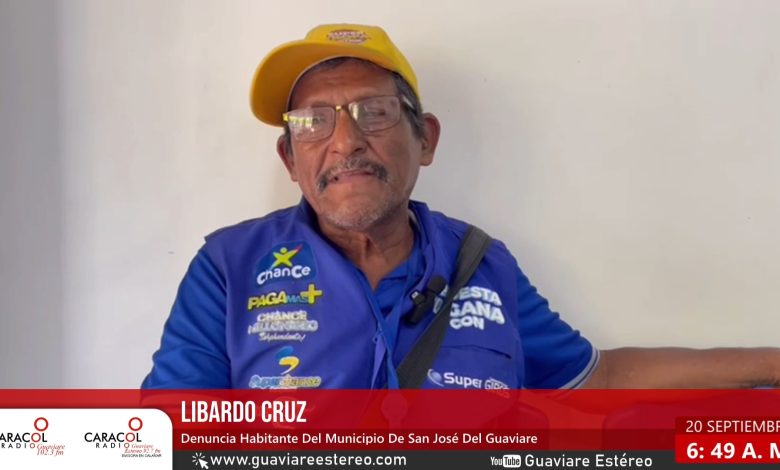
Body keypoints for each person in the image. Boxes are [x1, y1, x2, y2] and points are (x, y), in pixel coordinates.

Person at [142, 23, 779, 390]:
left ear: (426, 139)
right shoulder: (228, 267)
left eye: (374, 112)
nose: (345, 141)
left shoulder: (484, 263)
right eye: (313, 122)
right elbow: (173, 437)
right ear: (290, 158)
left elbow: (598, 378)